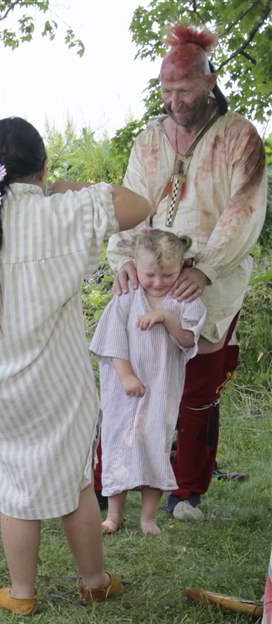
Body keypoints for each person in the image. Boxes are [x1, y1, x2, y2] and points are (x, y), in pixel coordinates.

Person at [0, 117, 151, 615]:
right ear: (42, 169)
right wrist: (69, 186)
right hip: (61, 386)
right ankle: (94, 581)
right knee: (73, 483)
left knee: (13, 492)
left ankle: (22, 594)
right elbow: (140, 205)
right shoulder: (64, 211)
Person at [106, 24, 267, 520]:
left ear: (210, 81)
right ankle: (113, 480)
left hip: (207, 280)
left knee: (198, 386)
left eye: (185, 89)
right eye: (167, 90)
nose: (175, 100)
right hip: (150, 277)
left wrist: (207, 270)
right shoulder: (150, 140)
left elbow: (244, 211)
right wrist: (126, 260)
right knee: (128, 379)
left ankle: (188, 491)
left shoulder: (240, 137)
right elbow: (131, 204)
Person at [92, 229, 206, 536]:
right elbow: (111, 339)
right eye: (149, 274)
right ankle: (113, 515)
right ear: (135, 268)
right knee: (118, 443)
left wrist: (165, 317)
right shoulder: (126, 297)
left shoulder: (185, 300)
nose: (157, 282)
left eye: (167, 274)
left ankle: (148, 518)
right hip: (123, 388)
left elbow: (187, 340)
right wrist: (126, 375)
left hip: (160, 389)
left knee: (154, 442)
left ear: (182, 267)